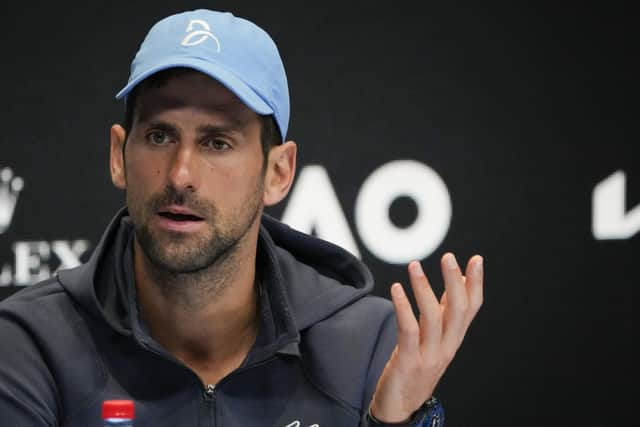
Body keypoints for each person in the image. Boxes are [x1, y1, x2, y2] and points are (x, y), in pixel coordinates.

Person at [0, 9, 483, 426]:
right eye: (160, 136)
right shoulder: (30, 345)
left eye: (217, 143)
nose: (181, 174)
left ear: (278, 172)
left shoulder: (367, 348)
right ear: (118, 154)